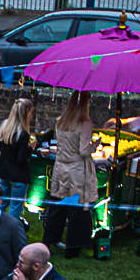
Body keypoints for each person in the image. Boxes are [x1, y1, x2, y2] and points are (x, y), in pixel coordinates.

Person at [44, 90, 99, 259]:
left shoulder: (61, 121)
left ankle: (47, 242)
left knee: (57, 207)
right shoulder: (85, 123)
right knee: (77, 210)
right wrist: (94, 146)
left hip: (61, 167)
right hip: (77, 170)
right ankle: (73, 247)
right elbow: (83, 151)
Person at [0, 97, 39, 223]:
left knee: (2, 203)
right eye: (31, 112)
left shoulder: (5, 127)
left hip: (4, 172)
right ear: (25, 114)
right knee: (15, 207)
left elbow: (0, 147)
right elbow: (21, 159)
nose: (32, 115)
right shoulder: (23, 134)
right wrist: (31, 148)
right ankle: (9, 232)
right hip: (18, 176)